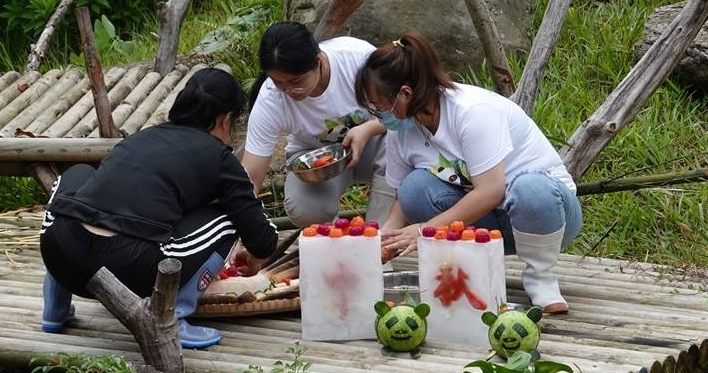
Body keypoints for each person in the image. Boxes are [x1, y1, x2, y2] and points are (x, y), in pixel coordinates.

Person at [39, 68, 278, 348]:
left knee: (77, 176)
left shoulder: (139, 138)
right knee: (229, 217)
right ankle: (171, 317)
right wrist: (255, 260)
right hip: (127, 271)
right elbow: (261, 238)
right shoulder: (219, 157)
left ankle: (55, 306)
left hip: (61, 254)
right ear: (225, 119)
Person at [353, 32, 582, 314]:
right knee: (415, 187)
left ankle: (541, 276)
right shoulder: (402, 130)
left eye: (378, 106)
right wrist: (382, 240)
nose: (377, 115)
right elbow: (402, 197)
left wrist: (426, 230)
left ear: (405, 94)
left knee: (530, 188)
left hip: (548, 216)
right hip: (490, 222)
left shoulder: (472, 112)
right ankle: (472, 264)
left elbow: (491, 191)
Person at [241, 22, 396, 228]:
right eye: (278, 82)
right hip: (317, 157)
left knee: (398, 147)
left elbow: (402, 112)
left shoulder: (357, 59)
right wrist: (243, 227)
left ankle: (379, 237)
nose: (288, 90)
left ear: (319, 60)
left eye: (296, 81)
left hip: (374, 143)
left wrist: (367, 129)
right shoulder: (271, 98)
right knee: (305, 208)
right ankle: (331, 241)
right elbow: (251, 175)